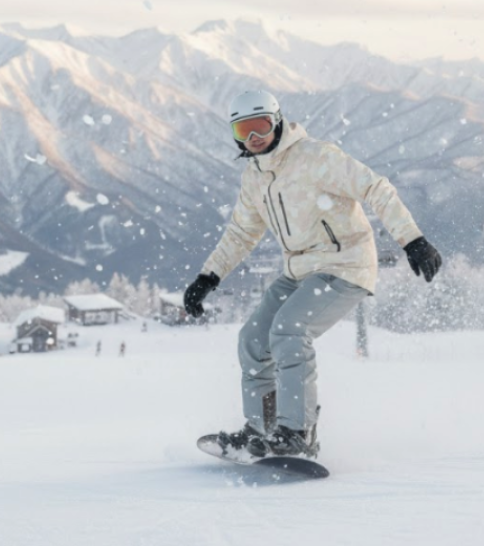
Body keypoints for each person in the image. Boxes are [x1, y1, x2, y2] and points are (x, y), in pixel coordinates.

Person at [184, 90, 441, 459]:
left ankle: (297, 432)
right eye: (243, 130)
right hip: (300, 271)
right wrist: (208, 277)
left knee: (290, 329)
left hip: (345, 264)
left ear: (277, 122)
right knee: (253, 340)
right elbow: (241, 233)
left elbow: (375, 187)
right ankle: (261, 431)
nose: (253, 137)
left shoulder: (317, 157)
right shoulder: (254, 177)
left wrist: (412, 239)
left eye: (260, 127)